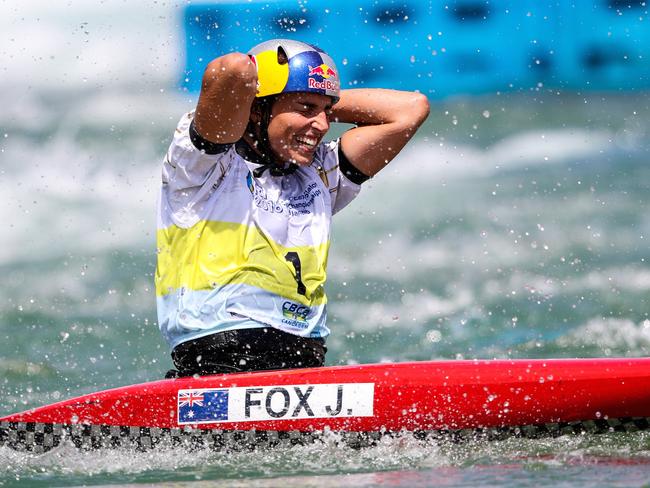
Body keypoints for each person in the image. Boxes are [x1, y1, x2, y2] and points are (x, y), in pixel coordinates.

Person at [156, 39, 429, 377]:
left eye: (326, 112)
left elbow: (411, 109)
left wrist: (314, 99)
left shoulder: (320, 174)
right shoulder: (201, 167)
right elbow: (233, 70)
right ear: (257, 109)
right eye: (305, 108)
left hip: (304, 360)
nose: (323, 125)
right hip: (216, 359)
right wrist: (272, 89)